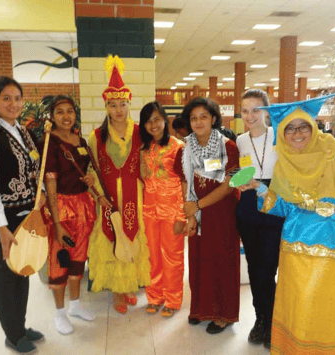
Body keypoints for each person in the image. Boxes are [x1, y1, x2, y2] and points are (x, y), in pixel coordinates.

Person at [237, 94, 335, 354]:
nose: (297, 134)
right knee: (297, 300)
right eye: (290, 128)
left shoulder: (331, 148)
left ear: (313, 126)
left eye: (303, 126)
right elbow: (284, 205)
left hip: (334, 238)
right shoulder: (284, 158)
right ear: (283, 132)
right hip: (296, 241)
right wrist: (260, 189)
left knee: (327, 301)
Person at [0, 76, 44, 354]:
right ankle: (12, 335)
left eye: (17, 98)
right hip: (3, 220)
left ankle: (21, 327)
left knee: (23, 272)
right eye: (6, 98)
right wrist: (2, 228)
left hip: (27, 217)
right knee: (5, 277)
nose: (13, 104)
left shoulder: (24, 132)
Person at [87, 55, 151, 314]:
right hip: (109, 196)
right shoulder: (96, 136)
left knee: (133, 236)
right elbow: (93, 168)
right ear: (106, 107)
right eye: (113, 105)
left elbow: (147, 165)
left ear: (129, 104)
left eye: (122, 104)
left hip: (135, 195)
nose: (118, 110)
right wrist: (98, 194)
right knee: (112, 237)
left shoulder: (140, 132)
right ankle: (116, 291)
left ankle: (129, 287)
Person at [175, 97, 240, 334]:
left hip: (222, 214)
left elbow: (230, 184)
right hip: (198, 214)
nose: (198, 122)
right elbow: (184, 181)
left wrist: (198, 206)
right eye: (193, 118)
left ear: (213, 118)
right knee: (199, 260)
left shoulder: (228, 147)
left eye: (204, 116)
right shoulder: (185, 149)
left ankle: (223, 315)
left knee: (221, 262)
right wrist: (190, 213)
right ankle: (200, 309)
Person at [42, 95, 97, 334]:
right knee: (59, 260)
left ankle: (75, 305)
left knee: (78, 257)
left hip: (84, 206)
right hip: (61, 208)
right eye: (60, 112)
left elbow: (86, 171)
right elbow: (50, 184)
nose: (66, 116)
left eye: (70, 111)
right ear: (52, 117)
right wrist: (57, 222)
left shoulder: (81, 140)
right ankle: (59, 312)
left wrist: (90, 178)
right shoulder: (49, 143)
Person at [235, 89, 285, 349]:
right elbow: (237, 171)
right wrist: (239, 182)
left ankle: (274, 321)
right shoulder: (240, 140)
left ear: (267, 111)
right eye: (245, 110)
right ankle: (260, 319)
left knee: (269, 268)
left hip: (274, 205)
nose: (250, 115)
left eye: (256, 109)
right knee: (254, 267)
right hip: (247, 208)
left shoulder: (280, 136)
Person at [139, 101, 186, 317]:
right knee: (152, 257)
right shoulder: (144, 148)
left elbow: (186, 183)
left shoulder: (178, 147)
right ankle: (155, 297)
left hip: (172, 211)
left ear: (165, 120)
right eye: (148, 121)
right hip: (149, 211)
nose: (153, 124)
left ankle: (173, 300)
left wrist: (181, 216)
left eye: (157, 119)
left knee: (172, 257)